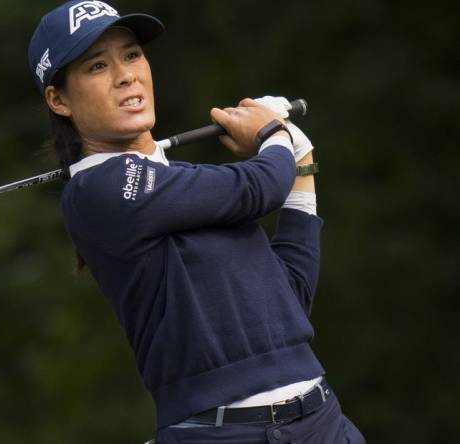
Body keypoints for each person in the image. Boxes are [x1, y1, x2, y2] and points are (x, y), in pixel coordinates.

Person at [28, 2, 365, 443]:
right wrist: (274, 135)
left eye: (131, 55)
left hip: (324, 423)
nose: (126, 74)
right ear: (59, 99)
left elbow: (293, 299)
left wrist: (300, 164)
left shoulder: (184, 189)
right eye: (97, 66)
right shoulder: (99, 190)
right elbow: (258, 188)